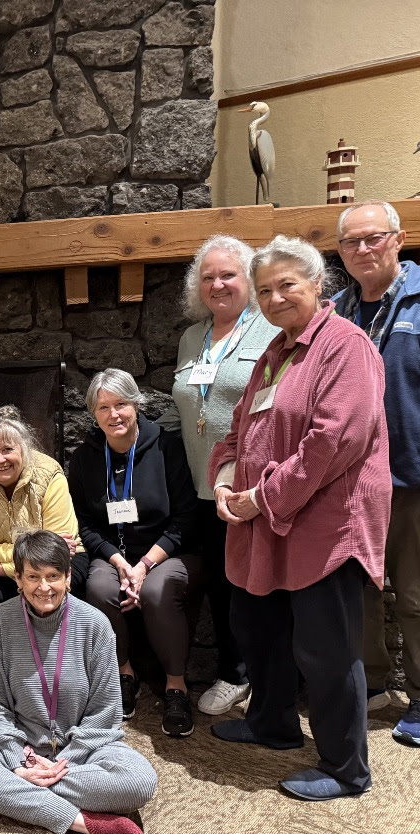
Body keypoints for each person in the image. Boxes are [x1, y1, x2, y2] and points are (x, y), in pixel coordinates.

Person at [209, 235, 391, 801]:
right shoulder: (277, 351)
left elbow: (334, 441)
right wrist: (224, 478)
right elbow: (238, 428)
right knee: (258, 625)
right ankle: (272, 724)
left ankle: (346, 768)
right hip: (263, 520)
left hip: (327, 524)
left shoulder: (346, 346)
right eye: (264, 289)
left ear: (318, 284)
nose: (275, 297)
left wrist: (262, 497)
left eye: (288, 284)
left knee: (326, 648)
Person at [333, 200, 420, 748]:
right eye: (351, 243)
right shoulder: (338, 309)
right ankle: (372, 685)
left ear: (398, 239)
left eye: (373, 238)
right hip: (349, 485)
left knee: (415, 592)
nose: (363, 250)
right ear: (340, 253)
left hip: (416, 482)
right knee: (357, 589)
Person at [0, 530, 157, 834]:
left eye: (54, 576)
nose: (44, 587)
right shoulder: (0, 620)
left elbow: (104, 715)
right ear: (19, 580)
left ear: (69, 577)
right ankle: (86, 822)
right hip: (19, 743)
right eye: (33, 577)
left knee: (139, 781)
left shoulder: (95, 624)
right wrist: (17, 758)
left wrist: (64, 762)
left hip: (83, 750)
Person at [160, 236, 279, 717]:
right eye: (208, 276)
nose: (218, 284)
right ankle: (239, 672)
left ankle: (254, 677)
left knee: (258, 585)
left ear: (249, 279)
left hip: (251, 487)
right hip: (201, 488)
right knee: (223, 586)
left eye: (228, 274)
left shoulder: (270, 330)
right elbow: (183, 409)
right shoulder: (193, 338)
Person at [68, 369, 200, 738]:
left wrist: (143, 566)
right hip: (114, 555)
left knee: (158, 591)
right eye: (103, 407)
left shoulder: (166, 446)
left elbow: (186, 516)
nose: (114, 415)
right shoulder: (86, 457)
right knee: (97, 589)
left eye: (121, 404)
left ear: (136, 404)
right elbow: (83, 523)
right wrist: (118, 561)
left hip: (168, 551)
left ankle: (177, 687)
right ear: (93, 414)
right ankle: (124, 674)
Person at [0, 406, 88, 677]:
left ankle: (59, 669)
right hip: (13, 566)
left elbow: (56, 552)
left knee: (55, 582)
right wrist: (20, 559)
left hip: (63, 560)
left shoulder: (50, 475)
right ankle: (3, 671)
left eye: (8, 449)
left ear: (24, 448)